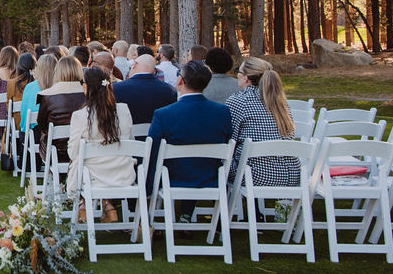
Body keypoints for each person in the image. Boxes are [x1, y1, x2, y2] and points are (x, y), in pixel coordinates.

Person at [145, 60, 232, 203]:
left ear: (181, 81)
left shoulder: (164, 114)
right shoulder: (222, 112)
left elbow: (152, 149)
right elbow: (227, 139)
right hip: (210, 176)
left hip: (172, 178)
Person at [68, 67, 134, 223]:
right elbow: (131, 142)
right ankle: (108, 205)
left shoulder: (80, 116)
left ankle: (82, 205)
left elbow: (73, 152)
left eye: (83, 82)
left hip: (93, 178)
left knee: (79, 163)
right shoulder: (124, 111)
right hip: (123, 175)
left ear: (88, 87)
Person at [226, 57, 300, 187]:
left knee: (220, 158)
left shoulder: (239, 102)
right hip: (291, 174)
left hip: (255, 175)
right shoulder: (281, 103)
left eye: (239, 71)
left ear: (246, 78)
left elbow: (229, 139)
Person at [34, 56, 87, 165]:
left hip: (56, 151)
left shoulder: (47, 95)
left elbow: (41, 124)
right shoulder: (88, 94)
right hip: (84, 148)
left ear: (57, 72)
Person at [112, 54, 176, 125]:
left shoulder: (116, 88)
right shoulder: (169, 90)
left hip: (126, 133)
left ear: (135, 65)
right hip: (158, 134)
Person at [7, 52, 37, 134]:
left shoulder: (12, 83)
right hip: (37, 124)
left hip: (18, 123)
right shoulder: (39, 84)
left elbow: (8, 107)